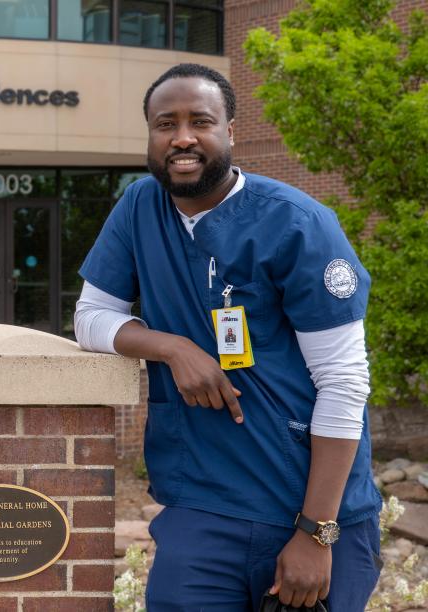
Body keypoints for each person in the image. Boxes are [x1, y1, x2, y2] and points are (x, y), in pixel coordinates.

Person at [74, 64, 381, 610]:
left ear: (231, 131)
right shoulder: (139, 209)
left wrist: (316, 533)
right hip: (204, 503)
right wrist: (171, 347)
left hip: (309, 505)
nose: (183, 137)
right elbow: (92, 316)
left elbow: (344, 381)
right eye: (165, 123)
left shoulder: (297, 225)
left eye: (201, 121)